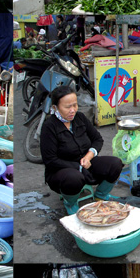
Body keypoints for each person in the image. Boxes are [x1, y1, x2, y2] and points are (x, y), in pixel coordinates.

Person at [40, 85, 123, 214]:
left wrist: (89, 157)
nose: (72, 110)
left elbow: (97, 139)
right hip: (60, 171)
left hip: (86, 162)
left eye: (75, 105)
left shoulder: (80, 118)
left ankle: (101, 195)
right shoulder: (49, 127)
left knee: (115, 164)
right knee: (74, 178)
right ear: (55, 107)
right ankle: (71, 202)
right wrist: (78, 166)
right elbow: (50, 160)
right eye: (67, 107)